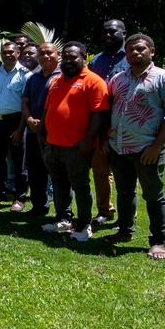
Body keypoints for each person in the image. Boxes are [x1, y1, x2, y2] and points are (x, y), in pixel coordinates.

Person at [102, 34, 165, 260]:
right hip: (119, 148)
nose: (135, 54)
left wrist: (157, 146)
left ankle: (158, 241)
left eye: (140, 49)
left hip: (147, 149)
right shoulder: (117, 79)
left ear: (152, 51)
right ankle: (125, 232)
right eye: (130, 51)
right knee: (125, 192)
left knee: (153, 195)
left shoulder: (164, 78)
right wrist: (106, 140)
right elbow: (109, 111)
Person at [39, 42, 109, 241]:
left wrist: (89, 141)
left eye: (73, 57)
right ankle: (63, 219)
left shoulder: (94, 81)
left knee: (80, 186)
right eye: (66, 58)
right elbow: (47, 108)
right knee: (60, 184)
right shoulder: (56, 81)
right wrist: (42, 131)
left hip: (77, 147)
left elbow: (99, 114)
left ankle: (84, 224)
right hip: (53, 144)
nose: (69, 61)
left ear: (84, 57)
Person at [87, 19, 129, 225]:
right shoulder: (95, 62)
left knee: (126, 174)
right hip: (100, 123)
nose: (107, 36)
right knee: (100, 170)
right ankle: (104, 210)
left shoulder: (131, 59)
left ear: (124, 33)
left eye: (112, 32)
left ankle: (128, 214)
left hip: (125, 124)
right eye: (104, 32)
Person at [0, 42, 31, 211]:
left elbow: (27, 104)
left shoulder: (25, 75)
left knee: (19, 162)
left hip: (16, 121)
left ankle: (20, 197)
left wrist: (20, 129)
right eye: (4, 52)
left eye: (11, 52)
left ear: (18, 53)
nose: (7, 55)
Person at [21, 42, 60, 216]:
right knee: (36, 171)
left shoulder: (63, 77)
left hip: (54, 133)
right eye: (42, 53)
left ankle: (62, 211)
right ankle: (39, 206)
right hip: (33, 132)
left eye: (49, 53)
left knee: (58, 173)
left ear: (57, 54)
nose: (45, 56)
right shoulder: (33, 78)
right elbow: (25, 101)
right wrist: (28, 118)